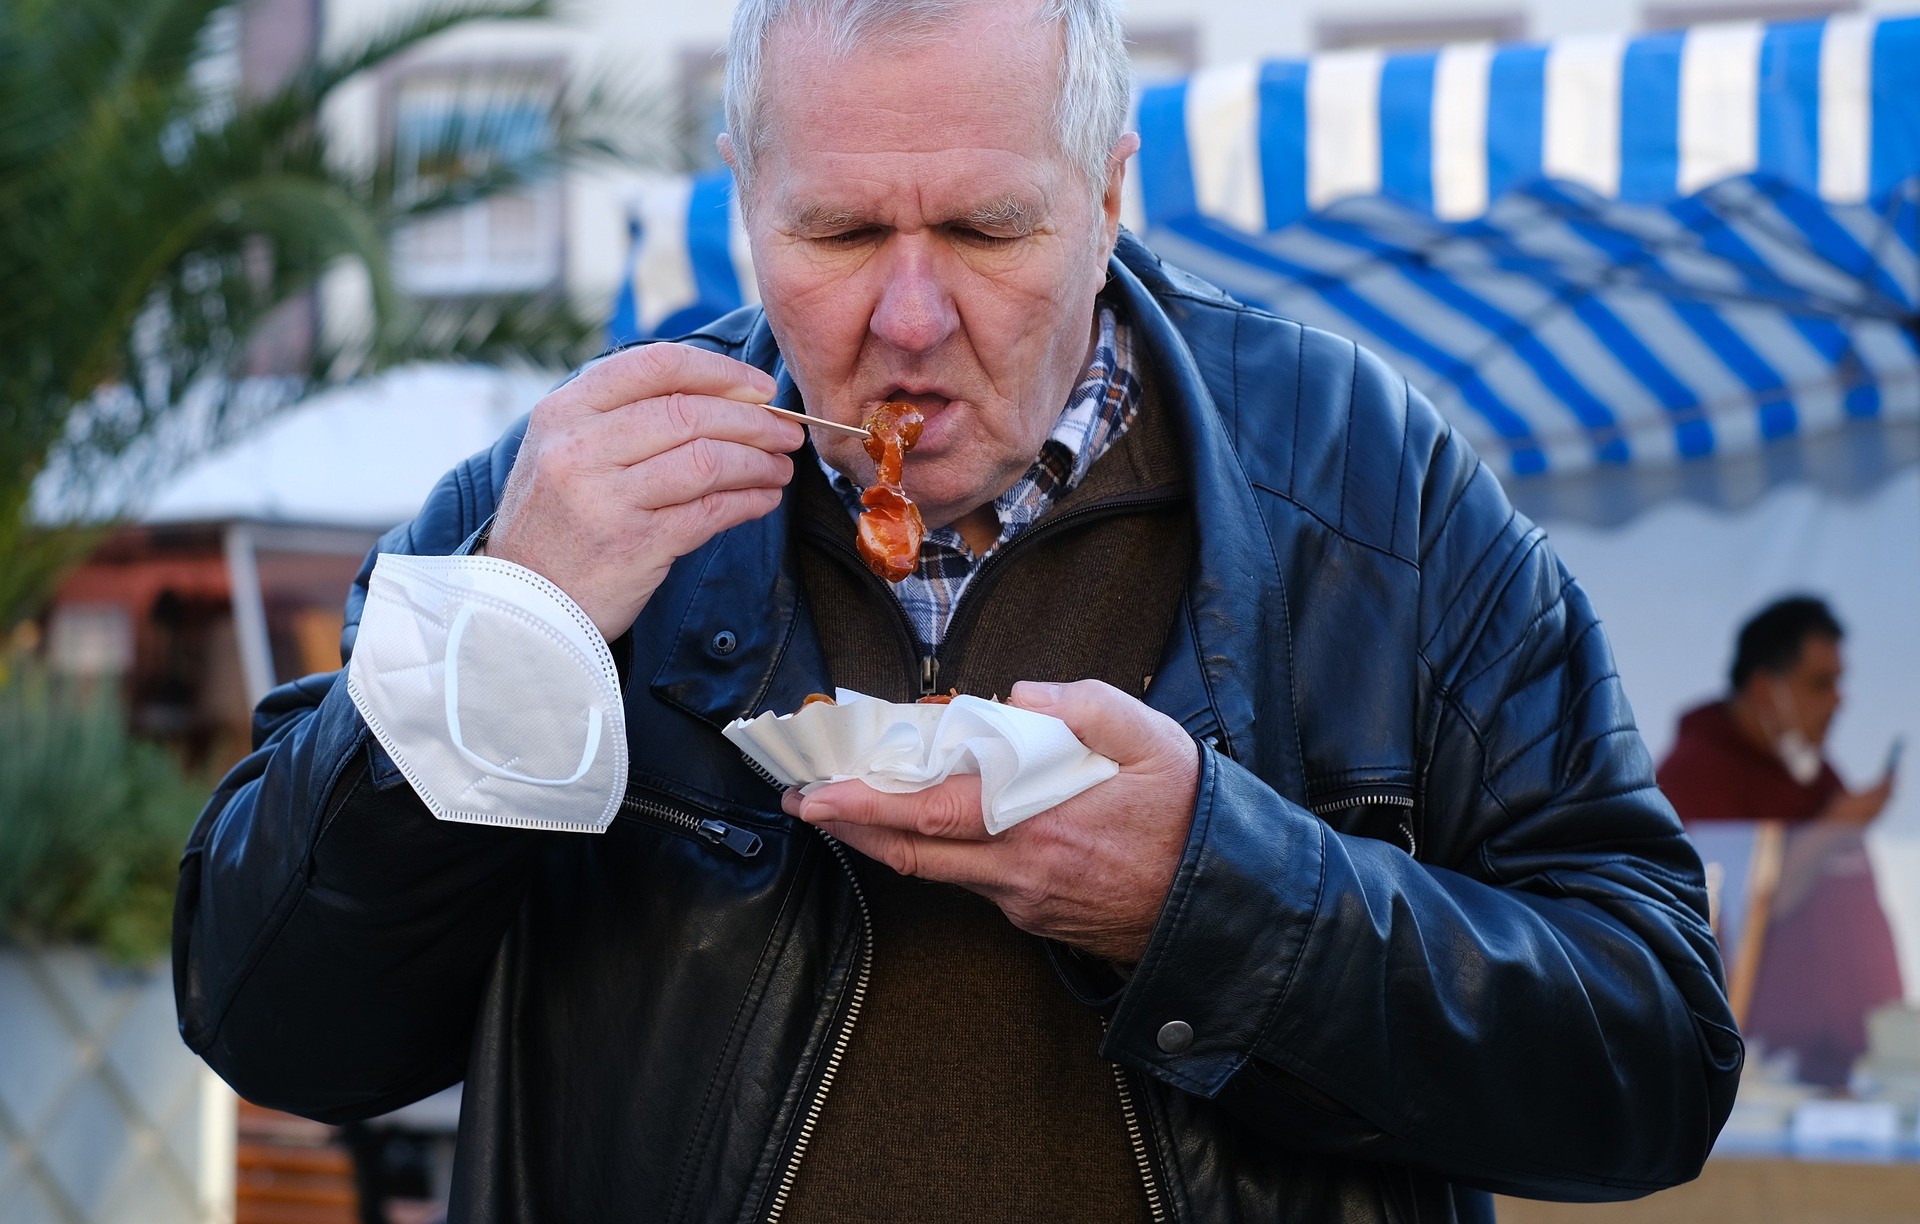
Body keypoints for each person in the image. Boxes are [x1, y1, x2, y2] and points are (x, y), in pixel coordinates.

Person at [172, 1, 1740, 1219]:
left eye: (988, 231)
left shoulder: (1371, 486)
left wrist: (1213, 895)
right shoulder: (566, 494)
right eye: (839, 232)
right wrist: (501, 648)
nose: (907, 322)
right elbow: (279, 1033)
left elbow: (1656, 1059)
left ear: (1111, 183)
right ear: (747, 201)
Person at [1658, 595, 1903, 1088]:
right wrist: (1832, 829)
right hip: (1746, 1082)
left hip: (1844, 1074)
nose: (1839, 700)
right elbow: (1740, 911)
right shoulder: (1695, 775)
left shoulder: (1817, 777)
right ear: (1767, 690)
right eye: (1820, 684)